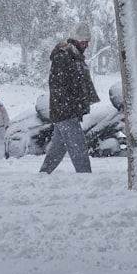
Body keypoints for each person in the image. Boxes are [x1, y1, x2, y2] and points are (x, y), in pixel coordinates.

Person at [39, 21, 100, 174]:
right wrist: (69, 106)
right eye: (84, 41)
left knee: (58, 148)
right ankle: (86, 176)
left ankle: (43, 174)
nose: (86, 45)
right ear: (76, 40)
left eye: (87, 42)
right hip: (66, 112)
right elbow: (58, 85)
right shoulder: (64, 56)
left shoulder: (75, 56)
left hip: (68, 111)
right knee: (78, 147)